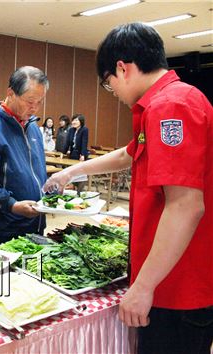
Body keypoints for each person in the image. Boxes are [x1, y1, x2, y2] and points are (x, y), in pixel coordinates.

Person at [43, 23, 213, 354]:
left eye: (109, 85)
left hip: (178, 288)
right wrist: (72, 172)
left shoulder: (171, 107)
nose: (115, 94)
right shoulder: (163, 103)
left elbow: (186, 206)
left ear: (123, 68)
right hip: (169, 280)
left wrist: (144, 286)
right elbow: (129, 152)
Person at [0, 66, 48, 245]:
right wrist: (12, 205)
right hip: (6, 226)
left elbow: (35, 172)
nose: (35, 108)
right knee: (5, 273)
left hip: (36, 222)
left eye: (40, 102)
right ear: (11, 93)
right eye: (30, 101)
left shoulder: (33, 128)